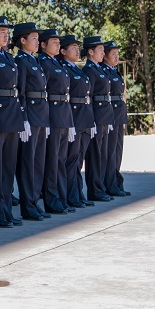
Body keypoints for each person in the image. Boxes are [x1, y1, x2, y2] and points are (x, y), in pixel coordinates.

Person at [0, 16, 30, 228]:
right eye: (1, 31)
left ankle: (6, 210)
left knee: (8, 168)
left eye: (7, 32)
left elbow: (18, 90)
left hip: (12, 114)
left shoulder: (9, 57)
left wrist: (22, 118)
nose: (5, 35)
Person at [13, 22, 49, 221]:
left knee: (38, 163)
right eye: (33, 38)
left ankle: (34, 202)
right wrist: (24, 118)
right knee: (28, 163)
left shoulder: (33, 60)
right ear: (23, 40)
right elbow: (21, 93)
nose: (37, 41)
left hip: (41, 116)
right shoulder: (21, 61)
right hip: (31, 116)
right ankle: (28, 205)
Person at [38, 29, 75, 214]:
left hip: (62, 114)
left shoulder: (56, 63)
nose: (58, 45)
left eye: (59, 42)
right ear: (43, 45)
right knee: (52, 161)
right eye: (54, 42)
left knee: (60, 159)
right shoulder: (43, 63)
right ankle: (52, 200)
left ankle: (61, 197)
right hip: (52, 114)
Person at [60, 34, 95, 209]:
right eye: (73, 47)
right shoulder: (64, 68)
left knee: (79, 160)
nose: (77, 50)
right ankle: (71, 196)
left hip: (84, 117)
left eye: (77, 47)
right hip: (74, 117)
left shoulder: (77, 68)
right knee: (72, 159)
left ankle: (78, 194)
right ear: (63, 51)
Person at [83, 36, 114, 203]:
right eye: (100, 50)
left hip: (104, 115)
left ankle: (100, 187)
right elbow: (90, 96)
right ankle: (94, 190)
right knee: (95, 155)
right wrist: (92, 119)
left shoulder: (99, 68)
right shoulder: (89, 70)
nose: (103, 53)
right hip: (96, 115)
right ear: (90, 52)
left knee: (102, 154)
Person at [102, 41, 130, 197]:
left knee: (118, 150)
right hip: (111, 112)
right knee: (111, 151)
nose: (116, 57)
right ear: (105, 56)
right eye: (113, 54)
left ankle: (117, 182)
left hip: (119, 113)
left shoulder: (114, 71)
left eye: (117, 54)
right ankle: (110, 184)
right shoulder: (104, 70)